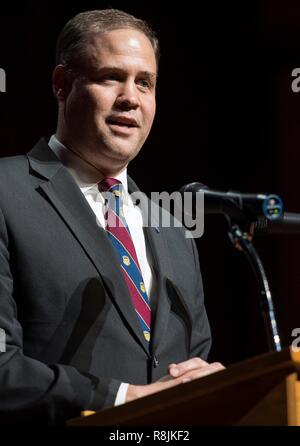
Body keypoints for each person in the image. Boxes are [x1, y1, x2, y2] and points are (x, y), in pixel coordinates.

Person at [0, 9, 223, 425]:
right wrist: (122, 397)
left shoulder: (174, 228)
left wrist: (216, 387)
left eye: (145, 83)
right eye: (110, 77)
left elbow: (192, 365)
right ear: (62, 85)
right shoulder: (6, 193)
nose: (131, 98)